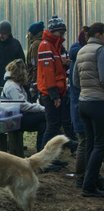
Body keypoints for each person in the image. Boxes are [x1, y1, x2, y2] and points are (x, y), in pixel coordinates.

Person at [73, 22, 104, 197]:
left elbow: (75, 81)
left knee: (91, 144)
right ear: (98, 35)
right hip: (99, 103)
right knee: (100, 145)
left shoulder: (81, 50)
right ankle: (89, 186)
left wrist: (86, 90)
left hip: (84, 103)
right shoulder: (100, 50)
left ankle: (94, 182)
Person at [37, 15, 77, 158]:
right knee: (52, 126)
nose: (63, 35)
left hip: (56, 92)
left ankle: (50, 158)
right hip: (50, 94)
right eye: (61, 32)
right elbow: (48, 73)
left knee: (54, 126)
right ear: (53, 31)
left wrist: (63, 62)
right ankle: (42, 159)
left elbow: (55, 68)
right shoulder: (46, 45)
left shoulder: (54, 46)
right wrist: (54, 95)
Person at [1, 59, 46, 152]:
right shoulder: (12, 86)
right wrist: (42, 108)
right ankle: (42, 151)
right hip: (12, 120)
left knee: (43, 125)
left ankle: (42, 152)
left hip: (15, 116)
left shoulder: (14, 84)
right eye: (25, 70)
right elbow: (23, 105)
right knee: (45, 116)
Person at [69, 26, 89, 188]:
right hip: (80, 105)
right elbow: (77, 84)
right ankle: (81, 177)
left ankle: (87, 176)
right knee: (83, 142)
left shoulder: (77, 56)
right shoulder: (79, 59)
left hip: (79, 105)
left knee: (86, 141)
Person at [0, 20, 25, 87]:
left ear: (8, 33)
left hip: (12, 82)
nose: (1, 35)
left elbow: (21, 63)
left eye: (3, 33)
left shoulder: (15, 44)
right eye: (0, 33)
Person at [26, 21, 45, 103]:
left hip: (35, 78)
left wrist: (33, 81)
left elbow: (35, 64)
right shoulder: (39, 42)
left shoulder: (35, 45)